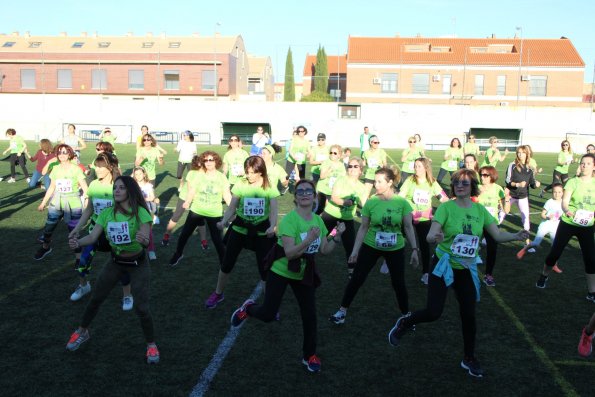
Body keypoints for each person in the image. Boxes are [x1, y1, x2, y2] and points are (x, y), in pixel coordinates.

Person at [387, 169, 529, 378]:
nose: (459, 185)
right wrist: (435, 235)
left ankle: (469, 357)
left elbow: (497, 235)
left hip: (466, 269)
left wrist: (517, 234)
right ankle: (405, 322)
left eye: (464, 182)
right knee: (434, 312)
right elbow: (431, 235)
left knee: (469, 315)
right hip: (444, 266)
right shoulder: (446, 208)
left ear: (472, 185)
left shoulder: (480, 211)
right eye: (455, 182)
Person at [230, 179, 346, 373]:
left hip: (302, 273)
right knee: (267, 314)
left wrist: (337, 236)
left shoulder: (318, 221)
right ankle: (249, 309)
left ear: (315, 196)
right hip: (281, 270)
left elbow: (325, 249)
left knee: (310, 316)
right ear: (295, 197)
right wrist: (309, 239)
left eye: (309, 191)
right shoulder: (289, 220)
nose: (304, 194)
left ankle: (309, 356)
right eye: (300, 191)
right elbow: (291, 253)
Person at [65, 175, 160, 364]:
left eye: (121, 188)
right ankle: (82, 331)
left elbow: (145, 236)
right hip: (115, 262)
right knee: (96, 299)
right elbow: (92, 238)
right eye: (115, 187)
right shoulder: (107, 213)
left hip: (138, 265)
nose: (116, 190)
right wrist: (77, 242)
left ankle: (151, 345)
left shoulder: (140, 212)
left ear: (130, 191)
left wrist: (144, 239)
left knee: (142, 308)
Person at [329, 167, 419, 326]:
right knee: (357, 278)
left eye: (379, 181)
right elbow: (363, 227)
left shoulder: (402, 203)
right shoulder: (371, 202)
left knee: (398, 283)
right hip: (371, 245)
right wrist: (355, 251)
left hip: (395, 248)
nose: (375, 185)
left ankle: (406, 316)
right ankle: (342, 311)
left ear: (390, 182)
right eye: (375, 181)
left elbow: (408, 227)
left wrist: (414, 249)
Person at [205, 156, 278, 309]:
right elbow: (232, 207)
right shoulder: (240, 183)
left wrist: (272, 226)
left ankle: (269, 304)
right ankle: (218, 293)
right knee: (226, 263)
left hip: (261, 231)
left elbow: (273, 210)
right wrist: (224, 221)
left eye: (252, 172)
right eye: (247, 172)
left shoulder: (269, 185)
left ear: (261, 172)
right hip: (239, 228)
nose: (248, 176)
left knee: (265, 269)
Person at [536, 153, 595, 303]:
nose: (584, 166)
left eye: (588, 163)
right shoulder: (572, 182)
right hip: (568, 223)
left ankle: (592, 292)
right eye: (582, 163)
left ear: (594, 166)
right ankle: (544, 275)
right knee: (554, 253)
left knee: (590, 259)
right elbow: (565, 201)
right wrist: (567, 210)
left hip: (587, 226)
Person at [69, 153, 125, 304]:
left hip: (115, 232)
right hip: (95, 231)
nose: (98, 169)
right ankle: (83, 286)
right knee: (83, 260)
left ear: (111, 166)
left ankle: (128, 294)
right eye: (97, 165)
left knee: (122, 262)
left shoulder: (119, 186)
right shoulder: (93, 184)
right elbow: (89, 209)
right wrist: (77, 228)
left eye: (102, 166)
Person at [169, 151, 231, 267]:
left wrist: (231, 207)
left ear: (216, 162)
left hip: (214, 212)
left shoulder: (221, 177)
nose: (208, 163)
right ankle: (178, 253)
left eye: (211, 160)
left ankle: (224, 262)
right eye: (206, 160)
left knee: (217, 239)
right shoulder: (198, 175)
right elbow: (192, 190)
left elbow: (226, 195)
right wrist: (187, 201)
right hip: (197, 210)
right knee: (185, 234)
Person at [399, 158, 449, 284]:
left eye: (419, 166)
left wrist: (451, 204)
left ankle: (426, 273)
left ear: (426, 168)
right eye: (415, 166)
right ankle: (389, 261)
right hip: (409, 216)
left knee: (425, 245)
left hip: (424, 218)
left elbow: (443, 198)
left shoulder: (432, 182)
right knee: (399, 237)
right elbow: (401, 196)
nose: (416, 168)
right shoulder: (410, 180)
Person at [35, 144, 88, 261]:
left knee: (74, 232)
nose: (62, 155)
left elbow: (85, 187)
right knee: (48, 228)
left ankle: (78, 258)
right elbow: (52, 187)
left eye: (64, 152)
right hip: (56, 202)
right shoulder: (56, 169)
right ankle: (46, 247)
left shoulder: (76, 168)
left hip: (73, 203)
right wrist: (43, 203)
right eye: (59, 152)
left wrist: (87, 200)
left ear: (69, 154)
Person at [321, 157, 368, 278]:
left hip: (346, 219)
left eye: (355, 166)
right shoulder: (341, 180)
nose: (352, 169)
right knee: (316, 239)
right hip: (330, 215)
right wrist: (345, 202)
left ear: (361, 170)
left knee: (351, 246)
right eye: (350, 166)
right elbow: (334, 197)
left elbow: (365, 205)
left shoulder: (362, 187)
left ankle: (352, 271)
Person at [161, 155, 208, 248]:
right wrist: (188, 200)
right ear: (199, 164)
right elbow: (190, 188)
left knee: (200, 220)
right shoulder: (192, 173)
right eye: (203, 162)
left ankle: (204, 242)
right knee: (176, 216)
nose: (206, 163)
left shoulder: (208, 173)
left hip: (198, 198)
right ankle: (166, 236)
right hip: (185, 196)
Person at [516, 183, 563, 274]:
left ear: (563, 192)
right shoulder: (549, 202)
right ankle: (525, 249)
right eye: (554, 192)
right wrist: (547, 217)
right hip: (545, 225)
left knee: (555, 247)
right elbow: (542, 214)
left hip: (555, 227)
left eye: (559, 192)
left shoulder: (564, 202)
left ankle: (554, 265)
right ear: (552, 192)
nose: (557, 194)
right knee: (536, 243)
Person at [478, 166, 510, 287]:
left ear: (492, 176)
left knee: (492, 250)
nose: (482, 177)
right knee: (471, 245)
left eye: (485, 175)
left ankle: (488, 275)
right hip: (477, 222)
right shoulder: (477, 188)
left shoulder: (498, 189)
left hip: (492, 223)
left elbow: (506, 210)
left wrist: (506, 198)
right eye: (481, 174)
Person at [505, 146, 540, 241]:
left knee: (526, 219)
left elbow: (532, 183)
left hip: (523, 197)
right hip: (510, 195)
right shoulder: (512, 165)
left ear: (527, 154)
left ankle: (527, 242)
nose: (520, 154)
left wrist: (536, 184)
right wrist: (517, 184)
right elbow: (507, 181)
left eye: (523, 152)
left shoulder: (530, 168)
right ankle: (487, 238)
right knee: (500, 216)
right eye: (519, 152)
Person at [132, 166, 158, 260]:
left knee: (148, 232)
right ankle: (137, 250)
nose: (138, 176)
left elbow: (152, 197)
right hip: (135, 211)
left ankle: (151, 250)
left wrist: (143, 199)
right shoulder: (133, 185)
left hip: (146, 211)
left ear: (144, 174)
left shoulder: (148, 185)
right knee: (135, 231)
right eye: (136, 174)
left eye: (140, 174)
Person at [315, 144, 346, 215]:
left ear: (339, 155)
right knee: (320, 209)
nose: (332, 154)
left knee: (329, 210)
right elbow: (322, 176)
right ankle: (313, 223)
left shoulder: (341, 165)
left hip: (333, 191)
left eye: (335, 153)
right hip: (322, 189)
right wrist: (329, 169)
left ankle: (325, 224)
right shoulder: (326, 162)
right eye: (331, 152)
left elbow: (343, 179)